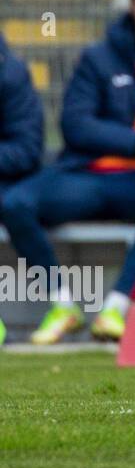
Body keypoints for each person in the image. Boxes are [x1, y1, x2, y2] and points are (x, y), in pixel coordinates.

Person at [1, 0, 135, 344]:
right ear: (133, 6)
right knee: (15, 202)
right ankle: (62, 304)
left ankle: (115, 308)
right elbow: (75, 123)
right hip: (89, 175)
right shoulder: (99, 57)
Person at [0, 30, 45, 348]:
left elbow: (27, 149)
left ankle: (61, 297)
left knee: (15, 203)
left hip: (8, 179)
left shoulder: (11, 75)